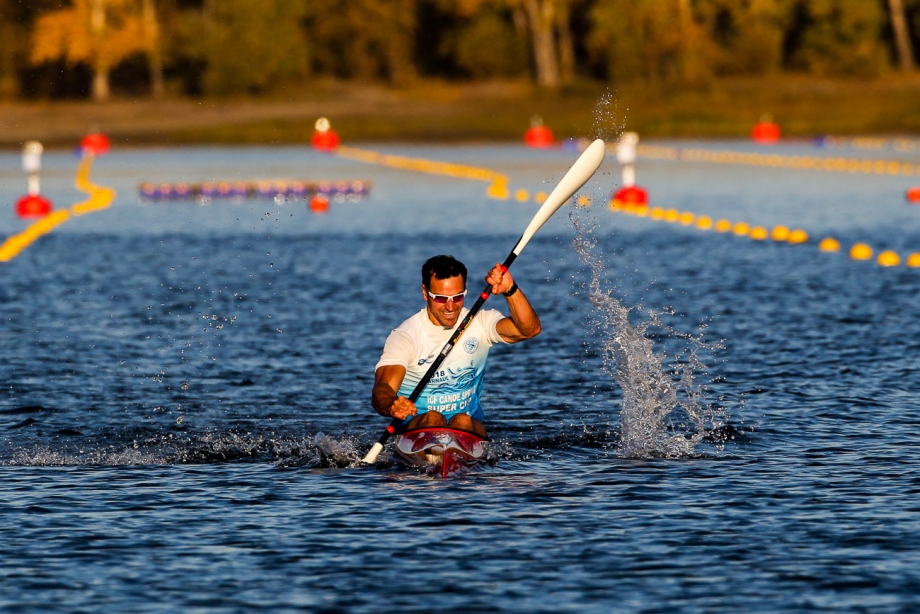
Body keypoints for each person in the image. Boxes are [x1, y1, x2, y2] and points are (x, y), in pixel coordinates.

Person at [371, 254, 541, 437]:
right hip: (417, 429)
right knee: (432, 418)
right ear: (424, 292)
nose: (451, 307)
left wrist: (510, 290)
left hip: (467, 429)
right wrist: (391, 404)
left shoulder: (479, 322)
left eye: (458, 297)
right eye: (441, 299)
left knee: (462, 420)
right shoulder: (406, 337)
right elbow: (382, 389)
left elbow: (529, 330)